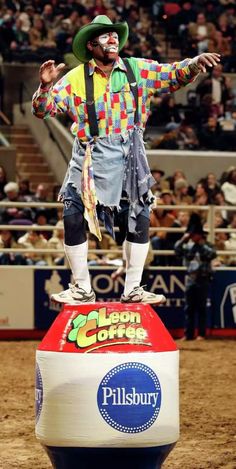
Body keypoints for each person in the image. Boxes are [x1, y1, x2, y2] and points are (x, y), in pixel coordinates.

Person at [32, 14, 221, 305]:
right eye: (106, 36)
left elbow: (171, 74)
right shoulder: (74, 79)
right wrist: (45, 87)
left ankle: (133, 288)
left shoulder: (136, 69)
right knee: (72, 215)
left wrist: (194, 62)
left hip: (130, 154)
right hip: (90, 156)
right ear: (92, 46)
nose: (113, 39)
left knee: (139, 217)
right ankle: (82, 288)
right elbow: (43, 111)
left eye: (115, 35)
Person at [174, 213, 217, 340]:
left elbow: (212, 254)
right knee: (189, 308)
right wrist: (183, 239)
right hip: (191, 278)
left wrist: (201, 244)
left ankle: (201, 334)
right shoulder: (188, 246)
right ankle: (188, 334)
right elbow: (177, 250)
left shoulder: (207, 245)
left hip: (203, 278)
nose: (194, 237)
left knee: (201, 307)